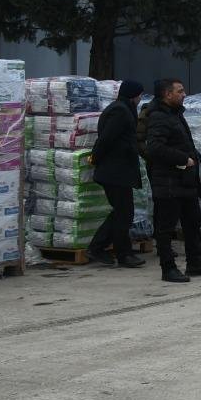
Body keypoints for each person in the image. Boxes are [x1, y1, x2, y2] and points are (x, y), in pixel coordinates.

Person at [143, 78, 201, 282]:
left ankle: (194, 264)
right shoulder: (159, 116)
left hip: (185, 182)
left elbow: (182, 142)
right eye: (180, 91)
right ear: (167, 94)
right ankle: (168, 268)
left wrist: (195, 155)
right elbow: (155, 148)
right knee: (166, 228)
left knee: (193, 222)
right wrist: (183, 159)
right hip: (168, 183)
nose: (184, 94)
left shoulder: (175, 114)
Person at [87, 79, 147, 267]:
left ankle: (114, 250)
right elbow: (106, 139)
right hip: (114, 171)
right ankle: (112, 251)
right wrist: (95, 158)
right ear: (134, 95)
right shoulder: (120, 111)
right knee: (124, 213)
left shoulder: (122, 109)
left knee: (122, 212)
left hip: (118, 171)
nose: (140, 99)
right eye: (139, 95)